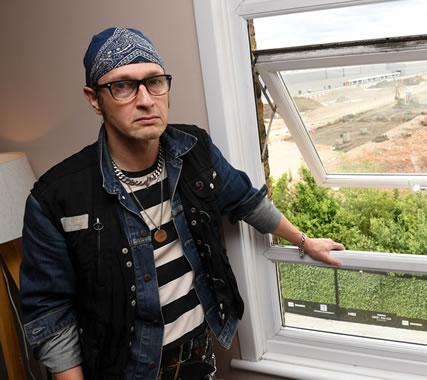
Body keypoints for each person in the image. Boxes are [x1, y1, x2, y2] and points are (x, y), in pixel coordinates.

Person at [19, 27, 345, 380]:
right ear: (94, 98)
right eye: (123, 86)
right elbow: (50, 313)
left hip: (197, 358)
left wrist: (303, 241)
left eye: (154, 82)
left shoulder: (195, 149)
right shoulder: (55, 197)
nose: (146, 100)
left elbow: (246, 200)